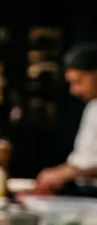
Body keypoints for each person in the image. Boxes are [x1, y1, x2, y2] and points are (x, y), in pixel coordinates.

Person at [36, 41, 97, 195]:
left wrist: (66, 174)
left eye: (78, 82)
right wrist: (57, 173)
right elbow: (83, 160)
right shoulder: (92, 108)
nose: (74, 91)